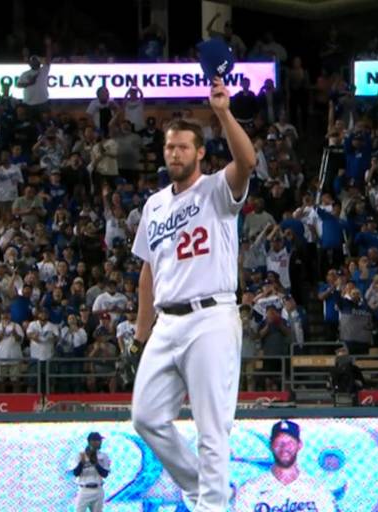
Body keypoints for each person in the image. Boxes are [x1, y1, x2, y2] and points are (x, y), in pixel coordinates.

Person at [130, 76, 256, 511]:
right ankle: (200, 487)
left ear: (200, 152)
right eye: (170, 147)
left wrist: (222, 112)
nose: (175, 153)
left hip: (211, 316)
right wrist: (140, 337)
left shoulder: (216, 188)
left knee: (212, 427)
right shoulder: (154, 204)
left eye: (183, 147)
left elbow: (247, 161)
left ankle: (211, 506)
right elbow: (148, 272)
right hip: (167, 321)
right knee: (146, 417)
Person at [235, 420, 336, 512]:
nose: (284, 447)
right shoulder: (250, 490)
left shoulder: (317, 490)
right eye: (279, 442)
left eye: (290, 442)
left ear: (299, 445)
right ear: (271, 445)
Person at [71, 432, 111, 512]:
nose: (100, 442)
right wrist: (82, 463)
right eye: (98, 440)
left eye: (100, 440)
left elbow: (105, 474)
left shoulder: (104, 456)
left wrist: (95, 463)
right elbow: (75, 473)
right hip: (84, 490)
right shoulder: (81, 455)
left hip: (98, 489)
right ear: (91, 442)